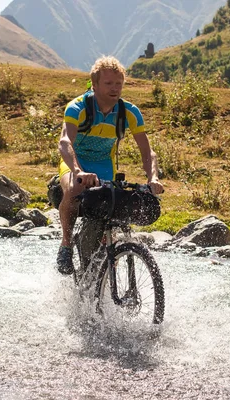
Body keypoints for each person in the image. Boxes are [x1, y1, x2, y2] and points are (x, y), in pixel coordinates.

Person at [56, 55, 164, 275]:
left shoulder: (129, 112)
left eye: (119, 84)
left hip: (104, 165)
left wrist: (153, 178)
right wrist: (78, 171)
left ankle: (106, 259)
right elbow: (65, 142)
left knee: (113, 208)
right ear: (94, 85)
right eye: (108, 84)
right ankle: (66, 244)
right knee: (75, 189)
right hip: (76, 162)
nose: (115, 88)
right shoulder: (78, 107)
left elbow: (147, 152)